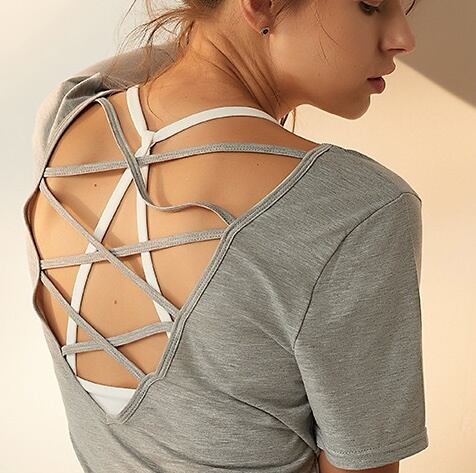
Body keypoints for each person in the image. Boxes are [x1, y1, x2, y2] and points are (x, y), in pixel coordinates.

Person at [22, 1, 428, 472]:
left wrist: (221, 30)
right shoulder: (352, 213)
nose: (403, 39)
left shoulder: (66, 119)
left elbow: (157, 60)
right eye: (371, 5)